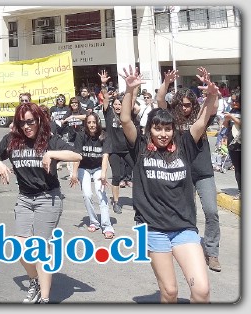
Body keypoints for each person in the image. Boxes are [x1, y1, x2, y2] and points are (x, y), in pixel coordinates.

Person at [119, 65, 217, 303]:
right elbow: (124, 119)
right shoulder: (141, 147)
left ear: (174, 130)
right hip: (153, 230)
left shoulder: (184, 145)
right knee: (170, 292)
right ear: (149, 130)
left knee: (201, 291)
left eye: (167, 129)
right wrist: (130, 90)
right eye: (157, 128)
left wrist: (212, 95)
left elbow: (203, 120)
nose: (163, 133)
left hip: (184, 228)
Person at [0, 102, 82, 304]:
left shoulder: (49, 140)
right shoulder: (12, 140)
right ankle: (35, 282)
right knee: (19, 248)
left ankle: (45, 299)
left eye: (30, 121)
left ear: (39, 120)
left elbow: (76, 155)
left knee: (41, 248)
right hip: (24, 198)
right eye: (22, 123)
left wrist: (51, 153)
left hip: (48, 198)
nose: (26, 126)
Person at [156, 68, 223, 272]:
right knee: (188, 213)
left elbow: (213, 107)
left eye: (188, 105)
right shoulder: (172, 121)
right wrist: (166, 82)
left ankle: (211, 252)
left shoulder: (200, 118)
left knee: (211, 212)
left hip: (203, 172)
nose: (185, 108)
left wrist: (211, 88)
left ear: (193, 105)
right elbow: (160, 101)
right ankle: (190, 248)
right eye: (181, 104)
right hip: (181, 172)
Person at [70, 112, 114, 239]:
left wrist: (104, 175)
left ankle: (107, 226)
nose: (91, 125)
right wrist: (74, 173)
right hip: (84, 168)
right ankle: (94, 222)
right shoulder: (81, 135)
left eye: (94, 122)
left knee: (101, 195)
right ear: (86, 124)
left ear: (98, 123)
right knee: (87, 194)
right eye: (89, 122)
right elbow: (77, 156)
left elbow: (105, 156)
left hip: (98, 168)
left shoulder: (104, 136)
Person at [100, 71, 134, 214]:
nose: (118, 106)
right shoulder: (108, 114)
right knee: (117, 176)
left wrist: (131, 86)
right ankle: (116, 202)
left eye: (120, 104)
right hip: (113, 149)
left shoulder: (126, 114)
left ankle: (141, 199)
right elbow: (105, 98)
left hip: (127, 149)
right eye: (116, 104)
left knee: (138, 171)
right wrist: (103, 84)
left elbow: (131, 99)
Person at [223, 91, 241, 200]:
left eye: (236, 101)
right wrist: (226, 119)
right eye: (232, 101)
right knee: (238, 168)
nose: (234, 103)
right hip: (233, 144)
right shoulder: (232, 111)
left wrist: (232, 118)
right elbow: (226, 126)